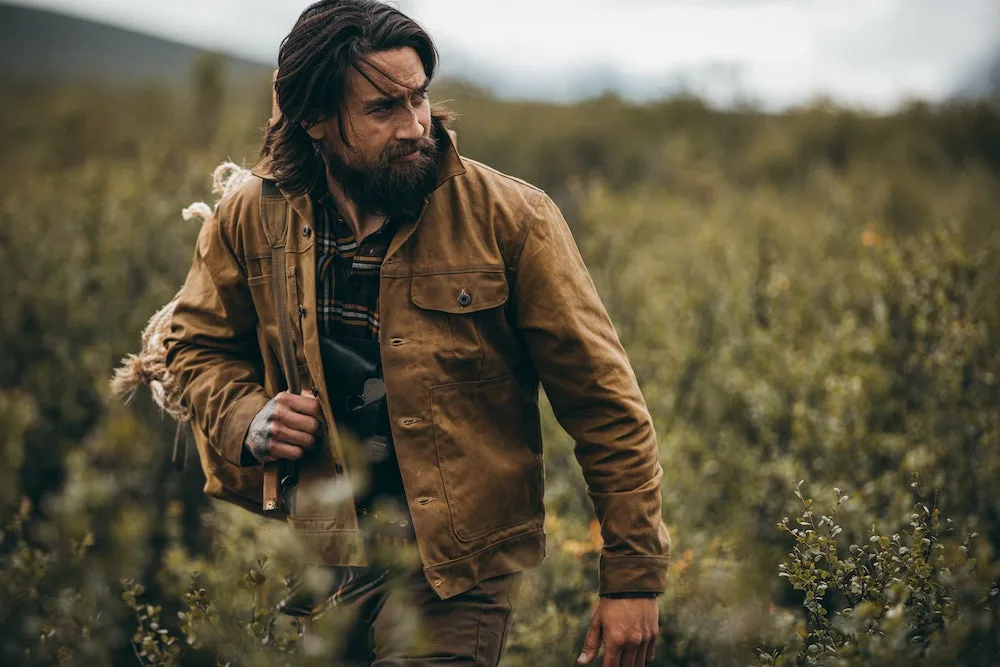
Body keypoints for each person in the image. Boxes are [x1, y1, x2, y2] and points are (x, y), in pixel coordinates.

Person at [164, 1, 670, 665]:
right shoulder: (251, 218)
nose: (414, 126)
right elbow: (191, 347)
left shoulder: (511, 219)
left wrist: (632, 576)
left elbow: (604, 404)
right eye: (383, 109)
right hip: (316, 553)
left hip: (457, 571)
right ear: (315, 119)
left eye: (419, 98)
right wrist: (248, 417)